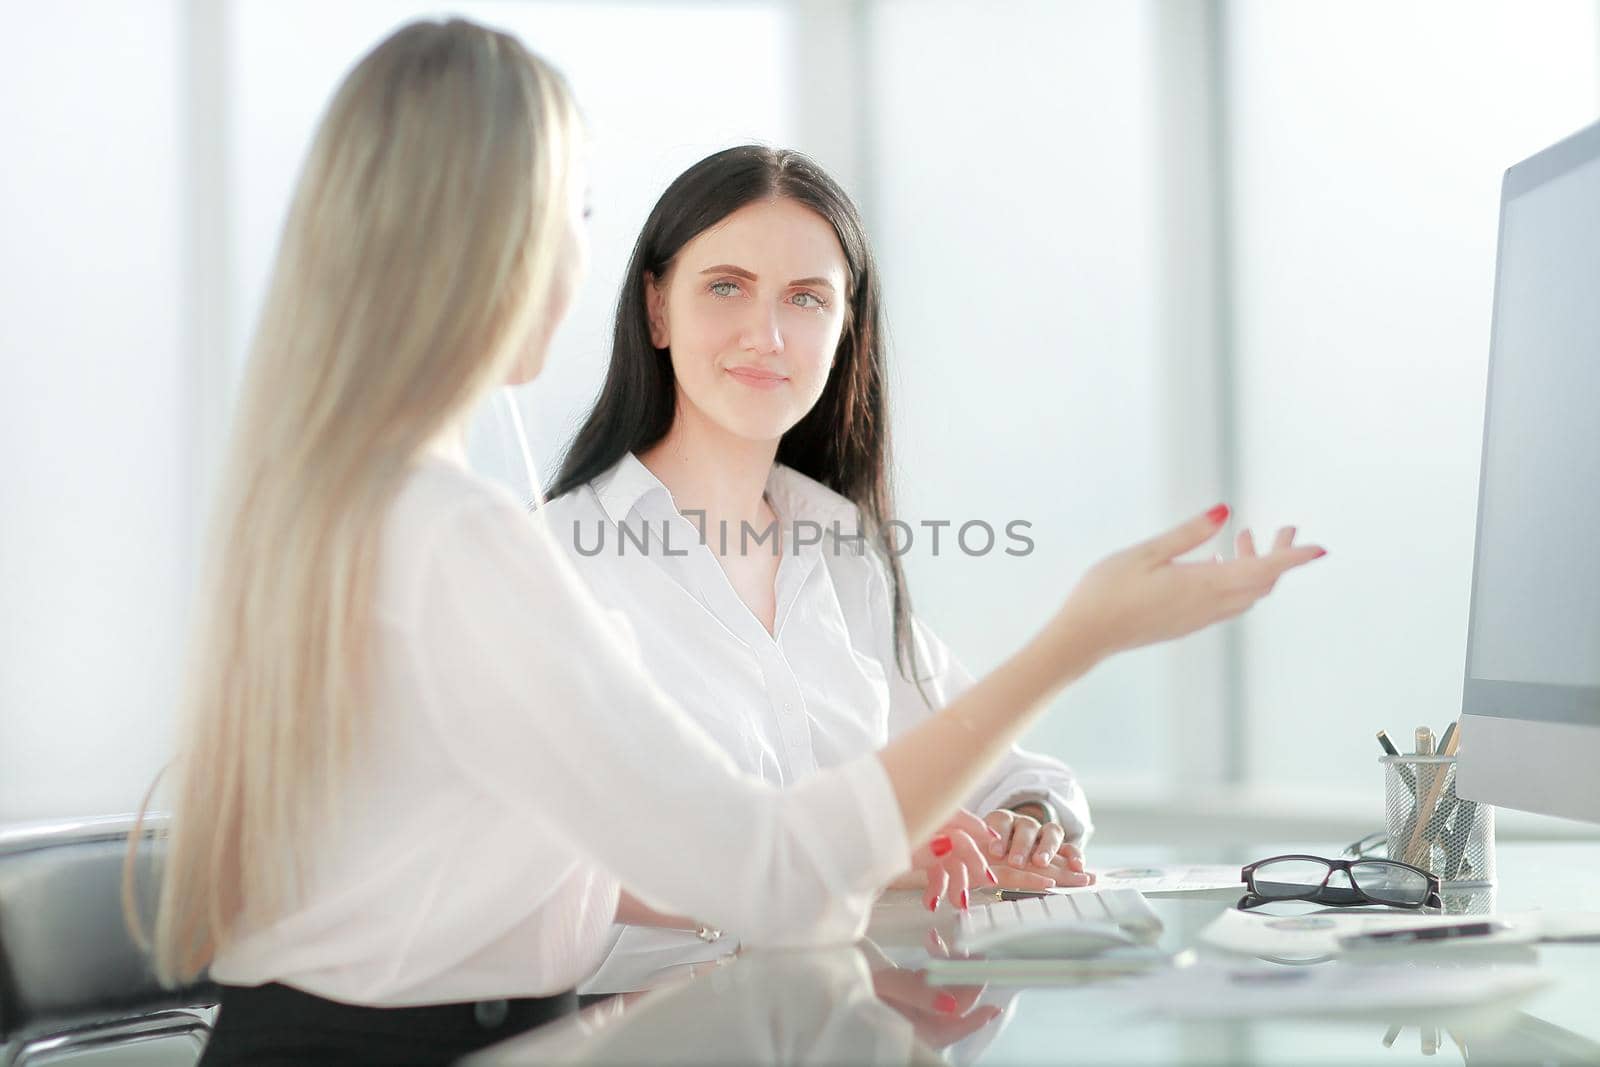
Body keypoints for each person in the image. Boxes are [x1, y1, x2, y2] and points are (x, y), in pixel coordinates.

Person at [125, 18, 1323, 1065]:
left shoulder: (366, 512)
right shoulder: (472, 542)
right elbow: (767, 876)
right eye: (573, 214)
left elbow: (532, 849)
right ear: (506, 244)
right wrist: (1079, 636)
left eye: (809, 297)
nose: (769, 331)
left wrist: (891, 851)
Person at [544, 147, 1099, 994]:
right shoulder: (561, 554)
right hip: (642, 1024)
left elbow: (1010, 771)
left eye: (806, 299)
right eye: (725, 286)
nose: (767, 335)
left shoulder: (841, 551)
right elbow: (536, 862)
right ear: (657, 308)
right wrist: (860, 860)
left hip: (844, 1008)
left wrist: (1023, 825)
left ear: (845, 330)